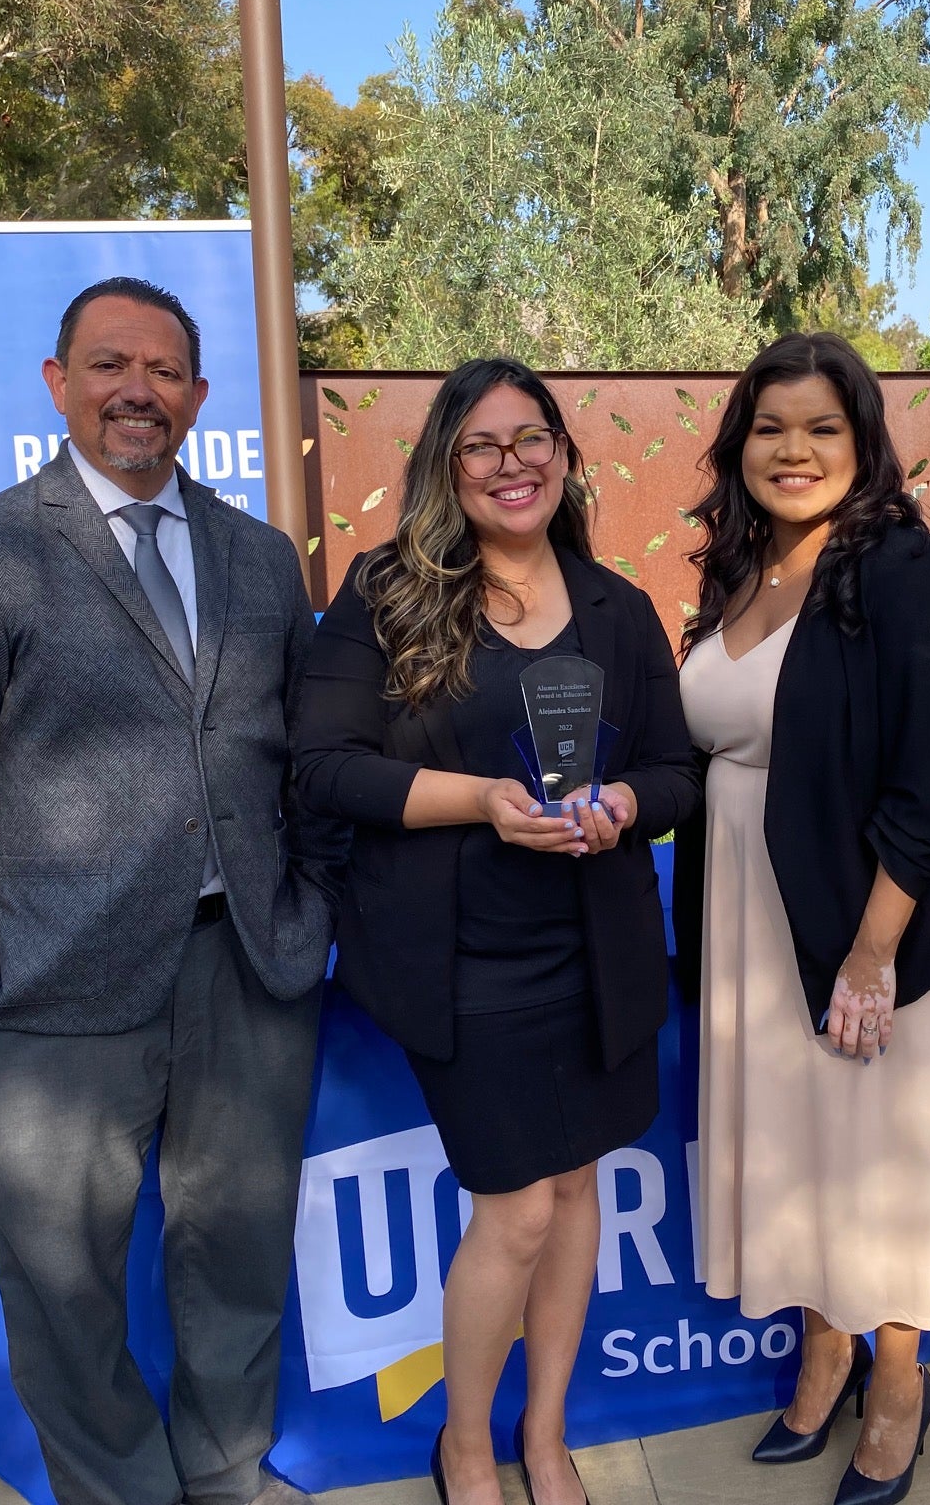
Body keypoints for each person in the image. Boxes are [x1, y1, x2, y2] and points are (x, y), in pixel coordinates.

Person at [0, 277, 337, 1505]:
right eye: (108, 365)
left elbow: (306, 753)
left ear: (197, 391)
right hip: (53, 988)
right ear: (59, 384)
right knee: (64, 1287)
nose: (138, 390)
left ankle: (226, 1473)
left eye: (163, 371)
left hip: (246, 965)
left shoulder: (259, 558)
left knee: (236, 1254)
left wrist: (313, 906)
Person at [295, 358, 698, 1505]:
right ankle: (465, 1444)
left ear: (565, 457)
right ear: (446, 465)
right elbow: (325, 772)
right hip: (463, 960)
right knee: (518, 1206)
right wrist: (484, 802)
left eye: (533, 440)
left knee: (579, 1194)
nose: (512, 463)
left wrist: (625, 807)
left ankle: (546, 1435)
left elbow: (675, 773)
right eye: (483, 444)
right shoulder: (385, 593)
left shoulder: (619, 609)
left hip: (596, 952)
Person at [673, 333, 930, 1505]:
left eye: (822, 428)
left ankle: (898, 1382)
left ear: (862, 446)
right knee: (801, 1160)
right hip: (747, 916)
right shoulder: (739, 567)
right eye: (771, 428)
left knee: (874, 1160)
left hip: (863, 920)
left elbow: (926, 777)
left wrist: (872, 952)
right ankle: (824, 1349)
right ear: (739, 445)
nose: (793, 450)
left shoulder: (897, 568)